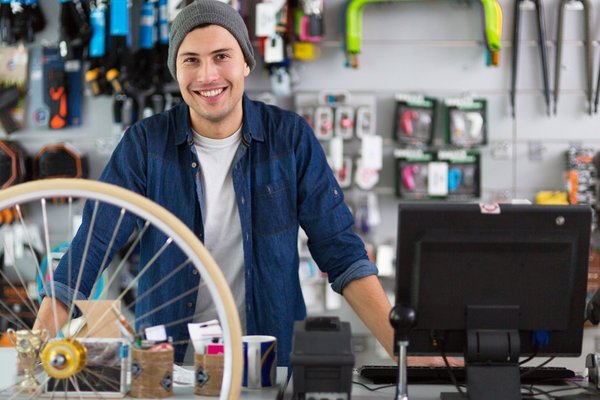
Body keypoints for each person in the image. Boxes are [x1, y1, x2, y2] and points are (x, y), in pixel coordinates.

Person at [33, 0, 398, 367]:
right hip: (169, 369)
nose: (207, 75)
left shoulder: (289, 138)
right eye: (190, 60)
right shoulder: (145, 143)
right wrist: (34, 349)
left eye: (221, 56)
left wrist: (404, 354)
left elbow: (342, 251)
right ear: (176, 70)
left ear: (245, 62)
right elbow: (93, 244)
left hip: (267, 362)